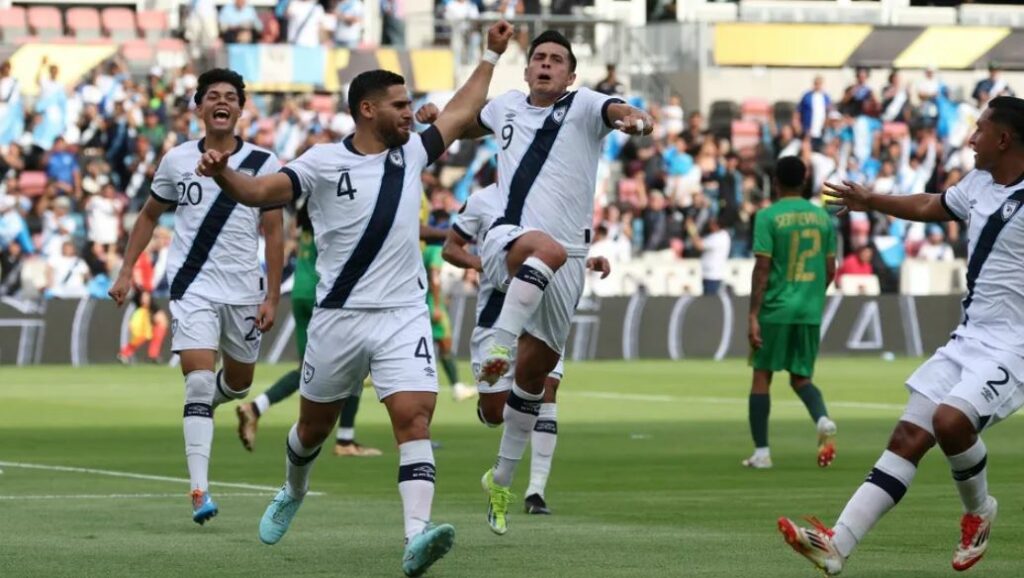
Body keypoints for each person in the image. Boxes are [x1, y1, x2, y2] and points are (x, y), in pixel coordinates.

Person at [195, 22, 515, 576]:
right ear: (368, 110)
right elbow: (256, 193)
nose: (411, 112)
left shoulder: (412, 153)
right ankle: (293, 489)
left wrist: (490, 53)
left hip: (402, 315)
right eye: (400, 104)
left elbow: (463, 112)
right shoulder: (320, 163)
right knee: (311, 430)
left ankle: (416, 538)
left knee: (414, 420)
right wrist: (224, 175)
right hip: (337, 320)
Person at [778, 96, 1024, 575]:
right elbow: (932, 204)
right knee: (909, 434)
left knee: (951, 422)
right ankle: (836, 544)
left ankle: (978, 512)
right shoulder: (978, 183)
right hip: (970, 337)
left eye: (980, 130)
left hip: (1015, 345)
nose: (971, 139)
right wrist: (870, 200)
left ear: (1004, 139)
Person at [444, 29, 651, 535]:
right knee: (546, 250)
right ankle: (499, 343)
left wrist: (634, 119)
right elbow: (470, 123)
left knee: (520, 396)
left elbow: (619, 110)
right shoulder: (508, 105)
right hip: (511, 238)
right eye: (539, 57)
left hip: (569, 261)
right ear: (527, 68)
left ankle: (501, 480)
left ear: (571, 75)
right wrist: (441, 121)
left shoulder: (584, 105)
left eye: (557, 60)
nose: (546, 65)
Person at [109, 68, 285, 525]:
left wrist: (271, 296)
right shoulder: (176, 160)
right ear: (199, 107)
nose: (221, 101)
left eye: (230, 96)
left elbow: (273, 230)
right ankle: (199, 489)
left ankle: (218, 407)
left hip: (246, 289)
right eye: (212, 96)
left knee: (240, 383)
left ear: (241, 109)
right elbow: (149, 216)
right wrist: (127, 268)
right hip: (193, 287)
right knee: (199, 382)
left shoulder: (265, 162)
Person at [438, 181, 610, 516]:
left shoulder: (549, 193)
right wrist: (486, 263)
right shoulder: (481, 200)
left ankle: (536, 492)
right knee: (496, 412)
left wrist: (585, 261)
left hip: (543, 312)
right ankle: (489, 413)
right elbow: (450, 248)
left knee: (547, 387)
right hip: (495, 316)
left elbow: (557, 248)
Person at [236, 203, 382, 457]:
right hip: (322, 295)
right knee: (353, 365)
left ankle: (256, 407)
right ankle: (345, 440)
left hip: (300, 292)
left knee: (306, 367)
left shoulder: (305, 219)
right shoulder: (330, 216)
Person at [745, 156, 838, 470]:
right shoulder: (824, 219)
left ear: (775, 182)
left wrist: (753, 314)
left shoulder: (768, 216)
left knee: (762, 376)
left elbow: (762, 268)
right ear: (804, 181)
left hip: (776, 308)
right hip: (809, 311)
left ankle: (762, 453)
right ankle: (822, 418)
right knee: (801, 378)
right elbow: (830, 269)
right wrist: (811, 297)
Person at [423, 208, 475, 402]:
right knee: (445, 343)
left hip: (424, 301)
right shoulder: (436, 250)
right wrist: (436, 305)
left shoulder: (425, 249)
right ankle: (456, 386)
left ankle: (456, 386)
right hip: (431, 303)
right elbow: (434, 278)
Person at [117, 290, 169, 364]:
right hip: (142, 324)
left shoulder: (152, 307)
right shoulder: (138, 309)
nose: (145, 299)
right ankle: (124, 354)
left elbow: (162, 319)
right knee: (138, 338)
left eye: (147, 297)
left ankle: (154, 354)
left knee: (159, 330)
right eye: (144, 297)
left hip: (149, 323)